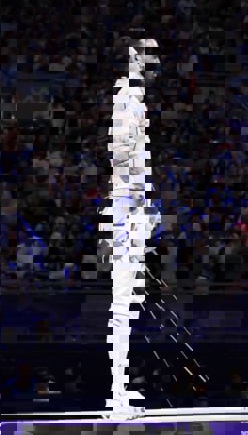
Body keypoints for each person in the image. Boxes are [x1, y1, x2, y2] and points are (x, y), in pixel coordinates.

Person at [102, 37, 162, 419]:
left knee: (128, 304)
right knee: (122, 306)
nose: (153, 63)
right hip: (125, 210)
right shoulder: (126, 99)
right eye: (146, 55)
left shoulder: (134, 100)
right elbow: (121, 154)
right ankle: (117, 396)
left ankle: (120, 390)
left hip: (132, 209)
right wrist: (135, 200)